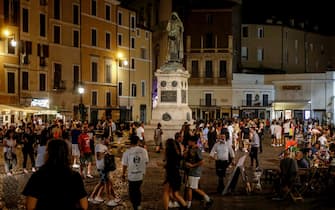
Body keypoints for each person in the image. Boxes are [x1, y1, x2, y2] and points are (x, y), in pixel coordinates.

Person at [22, 139, 88, 210]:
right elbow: (84, 205)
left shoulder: (38, 176)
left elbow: (30, 206)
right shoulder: (75, 176)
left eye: (46, 150)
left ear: (49, 154)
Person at [88, 137, 121, 206]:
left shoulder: (104, 146)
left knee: (103, 183)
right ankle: (108, 199)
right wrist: (106, 153)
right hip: (102, 168)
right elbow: (98, 157)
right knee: (107, 183)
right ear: (103, 139)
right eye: (108, 139)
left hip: (105, 168)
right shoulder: (99, 146)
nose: (109, 140)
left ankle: (96, 197)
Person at [184, 135, 213, 209]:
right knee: (190, 188)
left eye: (189, 141)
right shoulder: (191, 149)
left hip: (194, 172)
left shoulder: (197, 150)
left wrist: (192, 165)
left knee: (192, 188)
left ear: (193, 142)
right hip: (191, 172)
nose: (188, 142)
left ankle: (207, 199)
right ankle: (189, 203)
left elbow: (202, 161)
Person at [122, 136, 149, 210]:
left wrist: (123, 174)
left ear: (130, 142)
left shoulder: (127, 152)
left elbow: (124, 165)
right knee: (137, 189)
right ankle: (138, 204)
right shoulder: (144, 151)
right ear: (138, 142)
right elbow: (146, 162)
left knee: (132, 191)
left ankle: (135, 205)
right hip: (140, 174)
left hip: (131, 175)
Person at [162, 138, 188, 210]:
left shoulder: (170, 154)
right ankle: (185, 206)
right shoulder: (177, 153)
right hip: (176, 175)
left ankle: (166, 208)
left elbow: (169, 165)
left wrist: (162, 165)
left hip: (171, 175)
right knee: (175, 194)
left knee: (166, 193)